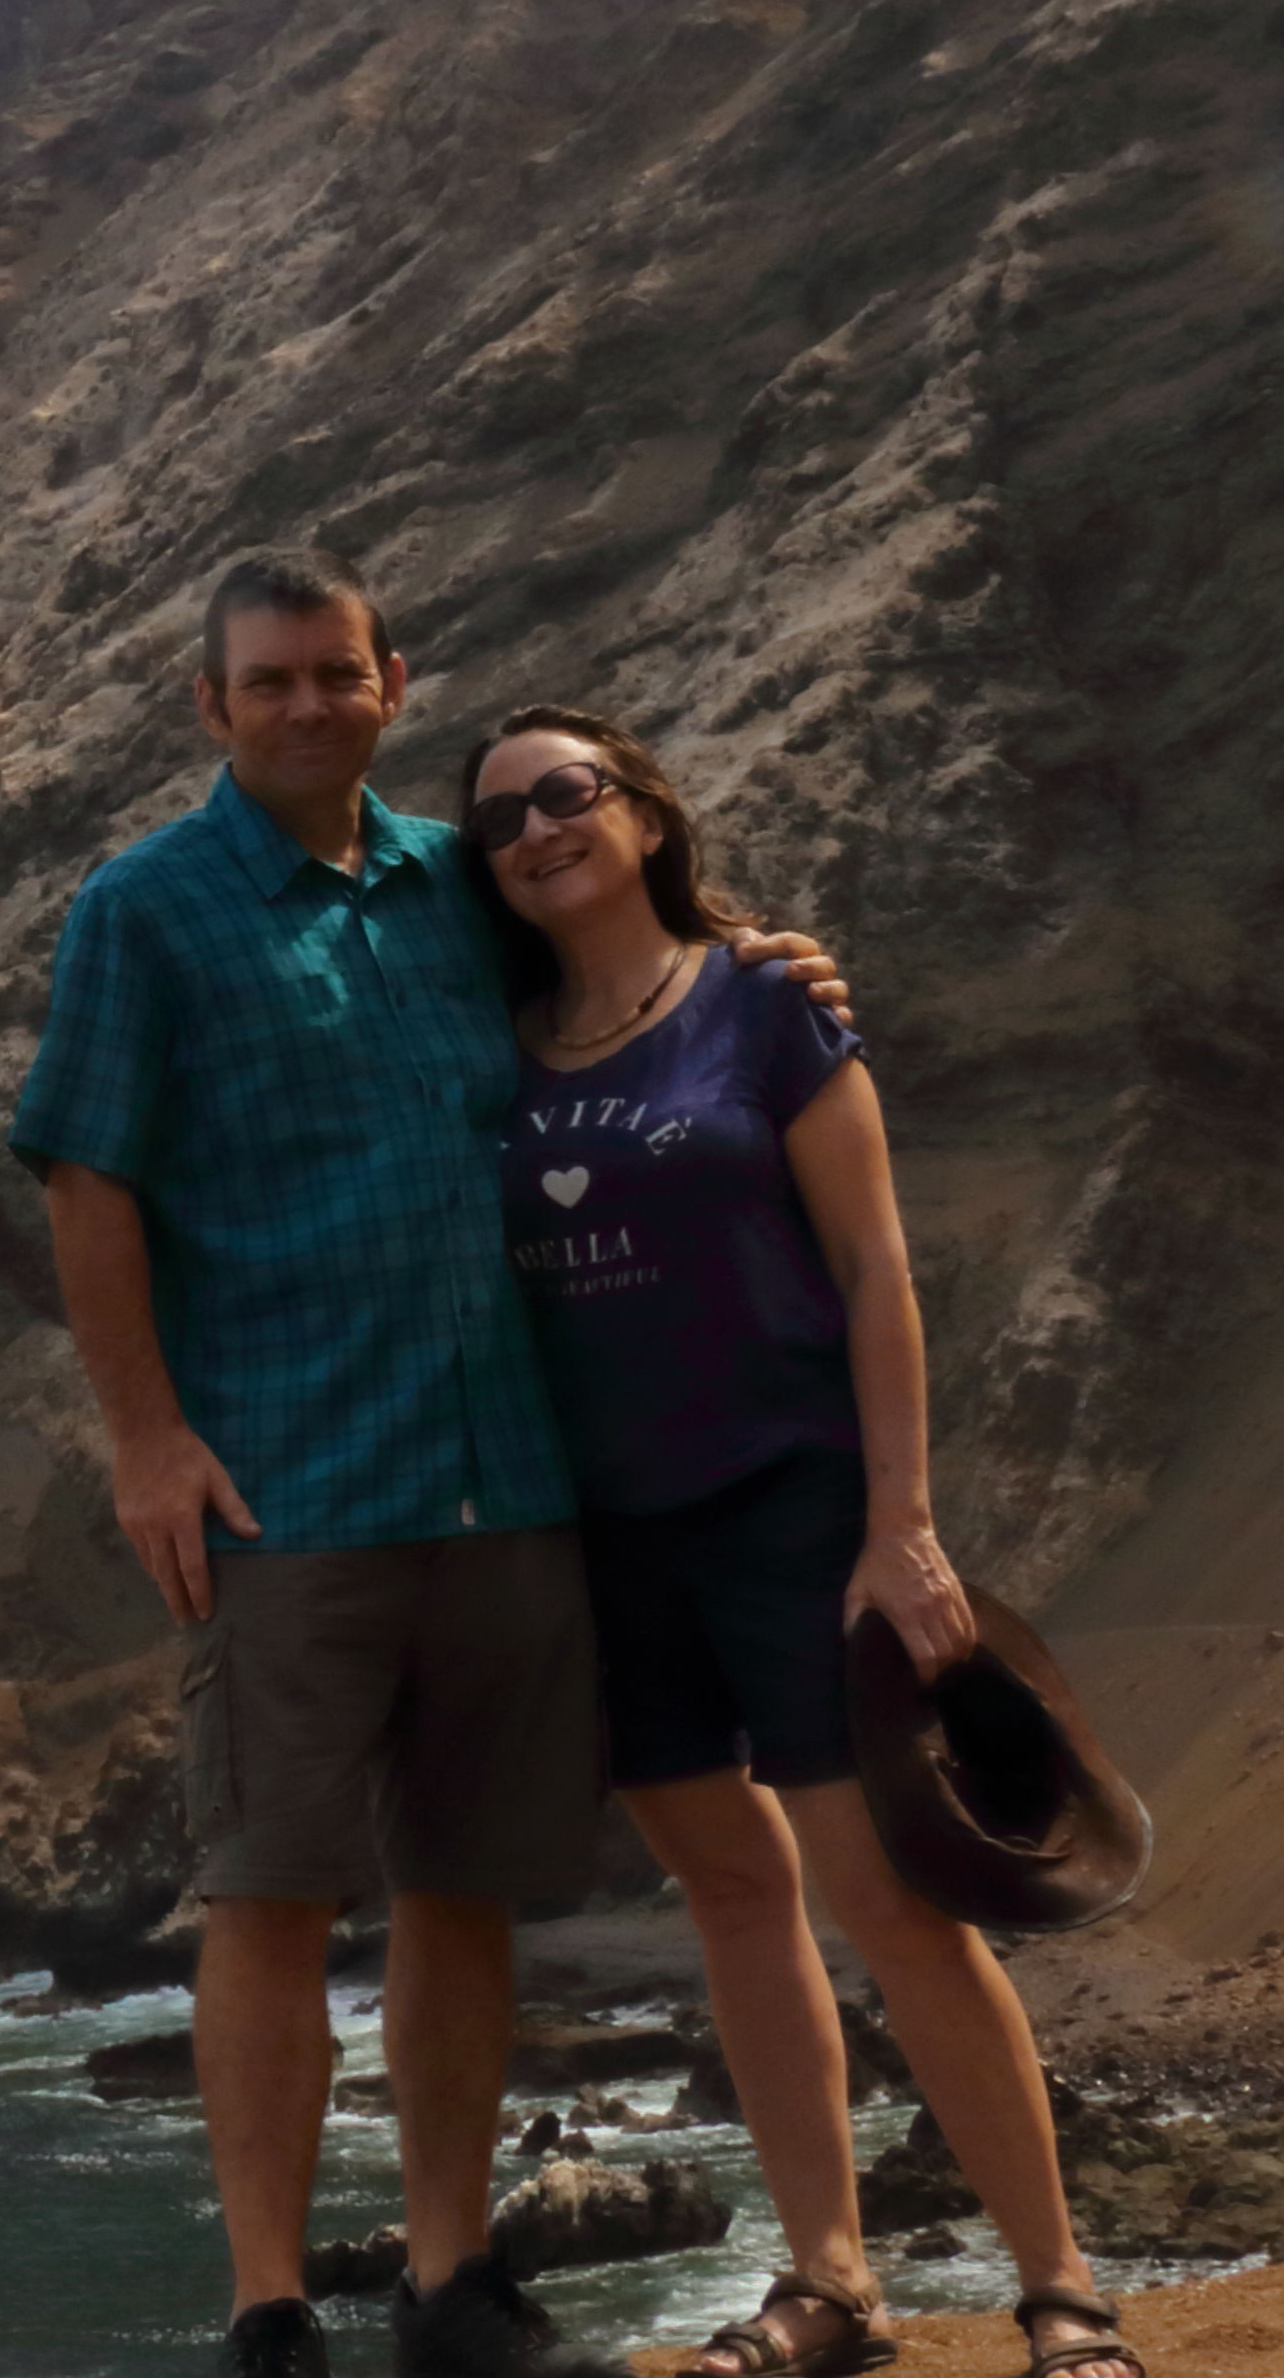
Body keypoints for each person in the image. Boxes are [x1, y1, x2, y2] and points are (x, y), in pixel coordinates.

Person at [15, 548, 841, 2378]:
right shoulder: (142, 908)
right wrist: (145, 1440)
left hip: (505, 1481)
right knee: (268, 1894)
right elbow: (86, 1176)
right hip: (285, 1484)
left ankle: (449, 2282)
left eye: (335, 671)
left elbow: (625, 974)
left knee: (460, 1888)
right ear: (210, 706)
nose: (305, 704)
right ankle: (267, 2308)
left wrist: (761, 964)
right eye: (267, 680)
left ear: (391, 682)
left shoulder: (456, 883)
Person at [462, 708, 1138, 2378]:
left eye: (565, 792)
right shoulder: (488, 1050)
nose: (535, 829)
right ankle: (831, 2285)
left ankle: (1060, 2292)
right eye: (498, 819)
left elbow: (873, 1269)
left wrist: (899, 1523)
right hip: (603, 1544)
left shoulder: (765, 1003)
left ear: (641, 812)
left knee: (892, 1900)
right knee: (728, 1896)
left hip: (792, 1512)